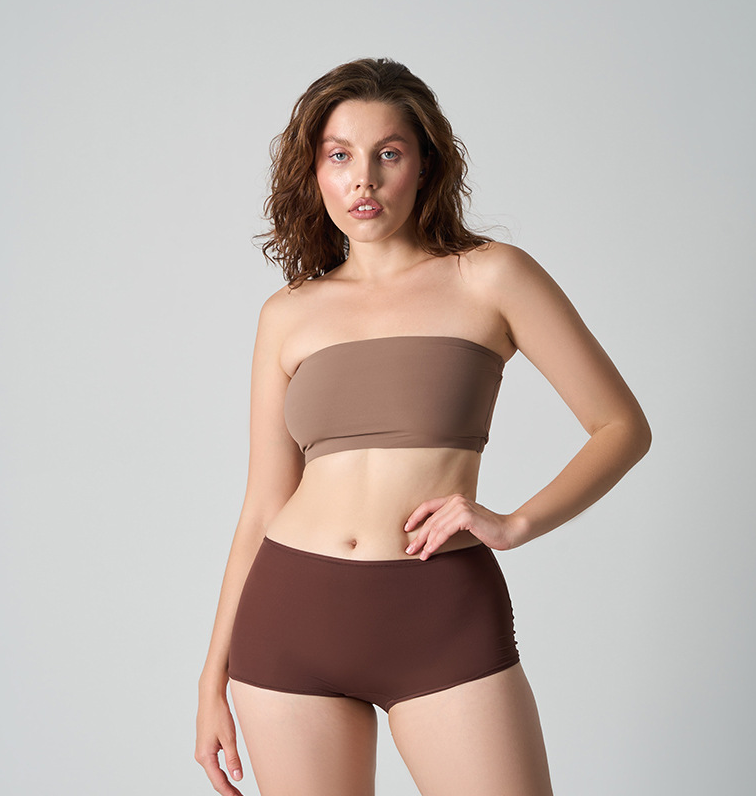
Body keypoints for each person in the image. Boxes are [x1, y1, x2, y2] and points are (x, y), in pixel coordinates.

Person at [195, 57, 652, 796]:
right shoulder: (288, 314)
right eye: (339, 156)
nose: (363, 180)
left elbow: (620, 425)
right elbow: (262, 504)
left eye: (388, 153)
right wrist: (211, 677)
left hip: (440, 614)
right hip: (290, 622)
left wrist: (516, 523)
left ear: (425, 165)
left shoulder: (492, 276)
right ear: (314, 172)